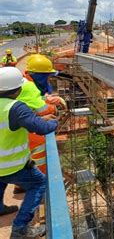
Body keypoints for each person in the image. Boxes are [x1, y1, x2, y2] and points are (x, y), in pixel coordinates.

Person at [0, 67, 58, 238]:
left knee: (1, 182)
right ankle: (20, 227)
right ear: (18, 90)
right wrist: (55, 123)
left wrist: (37, 118)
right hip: (13, 165)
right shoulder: (16, 107)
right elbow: (41, 128)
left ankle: (0, 209)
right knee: (38, 184)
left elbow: (23, 120)